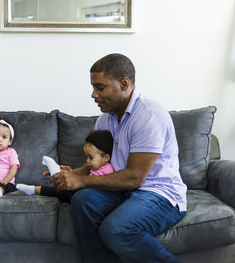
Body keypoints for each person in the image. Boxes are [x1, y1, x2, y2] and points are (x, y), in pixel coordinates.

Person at [49, 53, 187, 263]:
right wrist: (69, 174)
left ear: (124, 83)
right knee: (83, 200)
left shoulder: (149, 115)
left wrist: (81, 181)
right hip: (124, 191)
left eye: (100, 87)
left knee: (116, 229)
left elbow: (135, 178)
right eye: (93, 87)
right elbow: (98, 164)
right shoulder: (105, 120)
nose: (93, 94)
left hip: (159, 194)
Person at [16, 130, 115, 203]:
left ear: (106, 157)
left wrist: (72, 179)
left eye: (91, 158)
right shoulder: (97, 167)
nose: (87, 161)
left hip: (94, 196)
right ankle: (34, 188)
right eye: (87, 157)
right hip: (87, 192)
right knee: (62, 190)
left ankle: (35, 189)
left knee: (64, 191)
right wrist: (70, 172)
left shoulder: (107, 170)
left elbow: (88, 182)